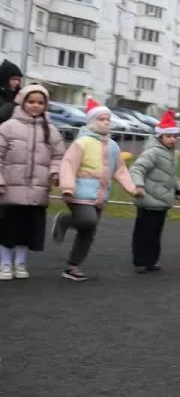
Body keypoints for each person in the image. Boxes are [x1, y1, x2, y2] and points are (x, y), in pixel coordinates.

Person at [54, 98, 139, 281]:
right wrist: (67, 187)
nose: (106, 122)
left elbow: (120, 170)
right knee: (88, 220)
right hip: (78, 193)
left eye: (108, 119)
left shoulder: (113, 146)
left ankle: (72, 267)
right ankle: (64, 220)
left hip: (99, 196)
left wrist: (132, 188)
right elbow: (68, 165)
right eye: (101, 119)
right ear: (92, 121)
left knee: (88, 232)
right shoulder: (82, 142)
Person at [0, 84, 64, 280]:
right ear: (22, 102)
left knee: (27, 231)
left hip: (37, 191)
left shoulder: (51, 130)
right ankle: (4, 264)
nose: (35, 106)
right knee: (6, 229)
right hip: (9, 190)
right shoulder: (8, 127)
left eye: (40, 102)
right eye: (31, 101)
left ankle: (20, 263)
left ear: (45, 105)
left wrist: (54, 173)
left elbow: (58, 156)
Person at [129, 110, 180, 273]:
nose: (172, 139)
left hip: (162, 202)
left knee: (155, 234)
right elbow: (137, 168)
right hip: (147, 200)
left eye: (175, 136)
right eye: (168, 136)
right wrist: (139, 186)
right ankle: (140, 261)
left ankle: (152, 260)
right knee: (143, 233)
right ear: (160, 136)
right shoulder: (152, 152)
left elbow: (170, 176)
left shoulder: (171, 155)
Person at [0, 59, 24, 124]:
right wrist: (14, 103)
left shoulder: (19, 95)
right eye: (13, 79)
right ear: (4, 80)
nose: (17, 82)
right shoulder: (16, 99)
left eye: (19, 79)